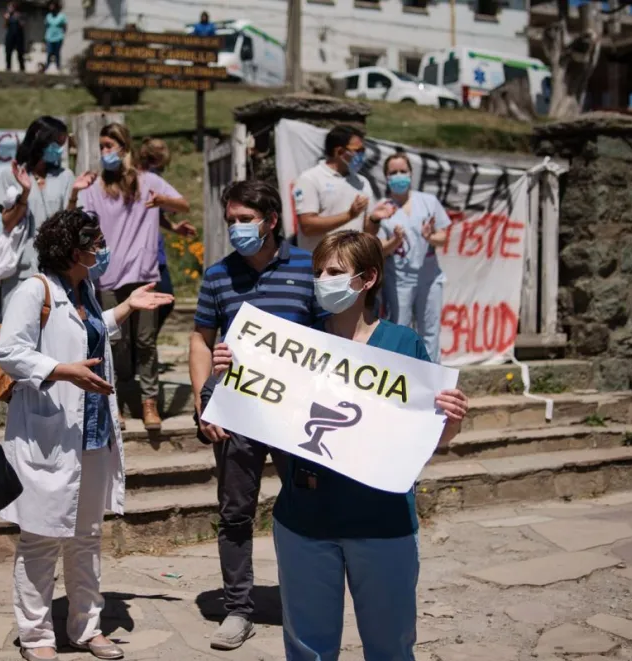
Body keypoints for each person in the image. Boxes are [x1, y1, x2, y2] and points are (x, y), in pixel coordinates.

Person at [211, 230, 469, 661]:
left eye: (334, 272)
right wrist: (232, 377)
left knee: (390, 646)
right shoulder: (293, 344)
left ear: (367, 279)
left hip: (383, 526)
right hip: (305, 524)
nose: (322, 280)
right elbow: (262, 414)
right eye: (317, 272)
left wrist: (452, 420)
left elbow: (428, 438)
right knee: (308, 648)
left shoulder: (403, 346)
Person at [0, 209, 173, 661]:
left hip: (92, 432)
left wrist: (125, 309)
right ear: (73, 249)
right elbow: (10, 352)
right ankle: (36, 636)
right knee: (39, 538)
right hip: (48, 433)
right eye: (95, 241)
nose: (101, 247)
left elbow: (88, 336)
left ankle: (87, 628)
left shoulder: (86, 290)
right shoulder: (33, 291)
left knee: (87, 536)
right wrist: (59, 371)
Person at [189, 179, 322, 651]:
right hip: (236, 414)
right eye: (231, 222)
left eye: (245, 220)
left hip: (297, 418)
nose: (237, 229)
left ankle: (306, 601)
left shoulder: (310, 267)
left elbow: (333, 339)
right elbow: (202, 339)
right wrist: (204, 400)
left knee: (307, 509)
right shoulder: (218, 275)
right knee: (235, 514)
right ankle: (238, 609)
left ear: (269, 221)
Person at [79, 123, 189, 431]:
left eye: (110, 146)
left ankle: (149, 402)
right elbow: (82, 223)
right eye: (101, 146)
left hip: (143, 274)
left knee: (145, 341)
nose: (105, 153)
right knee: (114, 342)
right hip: (107, 276)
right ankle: (114, 401)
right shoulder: (94, 189)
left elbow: (184, 204)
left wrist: (163, 202)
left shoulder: (148, 181)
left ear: (125, 149)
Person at [0, 115, 95, 313]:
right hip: (21, 273)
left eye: (62, 145)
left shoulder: (65, 176)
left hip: (57, 272)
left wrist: (74, 194)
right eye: (56, 144)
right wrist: (25, 192)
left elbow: (72, 225)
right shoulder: (12, 175)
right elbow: (7, 223)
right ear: (40, 140)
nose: (59, 150)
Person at [375, 152, 451, 363]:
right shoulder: (383, 208)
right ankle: (398, 374)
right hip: (399, 279)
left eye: (403, 171)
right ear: (386, 177)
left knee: (430, 331)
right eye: (394, 172)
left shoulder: (428, 202)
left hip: (429, 277)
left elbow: (443, 238)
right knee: (399, 329)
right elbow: (379, 248)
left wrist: (430, 237)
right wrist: (395, 241)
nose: (399, 176)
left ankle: (432, 379)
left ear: (411, 173)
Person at [292, 124, 393, 255]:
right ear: (339, 152)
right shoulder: (310, 179)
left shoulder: (362, 182)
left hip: (352, 263)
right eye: (358, 150)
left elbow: (368, 232)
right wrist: (349, 215)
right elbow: (308, 226)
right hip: (319, 265)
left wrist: (375, 218)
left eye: (363, 150)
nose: (362, 155)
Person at [136, 138, 196, 332]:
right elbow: (182, 204)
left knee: (164, 298)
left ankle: (147, 342)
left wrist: (174, 228)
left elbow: (155, 213)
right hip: (142, 249)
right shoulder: (148, 179)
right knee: (163, 298)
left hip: (154, 249)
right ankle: (144, 343)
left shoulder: (152, 178)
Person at [43, 2, 66, 72]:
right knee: (49, 52)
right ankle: (47, 67)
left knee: (57, 53)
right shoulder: (48, 16)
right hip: (49, 38)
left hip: (58, 38)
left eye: (53, 7)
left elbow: (65, 27)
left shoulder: (62, 16)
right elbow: (46, 26)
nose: (51, 8)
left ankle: (58, 67)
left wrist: (62, 34)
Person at [3, 2, 26, 72]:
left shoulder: (19, 15)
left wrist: (18, 18)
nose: (9, 9)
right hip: (10, 35)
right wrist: (6, 19)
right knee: (8, 52)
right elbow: (4, 26)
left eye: (10, 8)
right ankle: (8, 67)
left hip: (18, 35)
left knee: (20, 52)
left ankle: (22, 68)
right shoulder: (7, 16)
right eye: (8, 8)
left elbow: (23, 25)